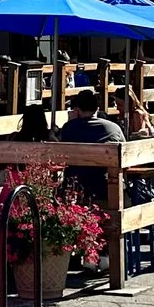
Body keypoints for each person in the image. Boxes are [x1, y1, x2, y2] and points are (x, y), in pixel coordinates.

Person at [55, 89, 126, 217]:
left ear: (77, 110)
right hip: (106, 189)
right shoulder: (113, 128)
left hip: (75, 188)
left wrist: (71, 121)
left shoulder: (69, 128)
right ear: (97, 108)